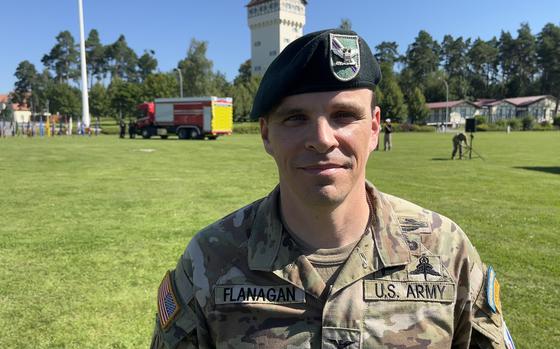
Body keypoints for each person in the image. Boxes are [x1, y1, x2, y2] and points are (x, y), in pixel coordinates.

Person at [151, 29, 514, 349]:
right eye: (296, 118)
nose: (322, 140)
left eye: (344, 116)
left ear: (374, 128)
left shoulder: (446, 251)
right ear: (266, 134)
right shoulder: (211, 260)